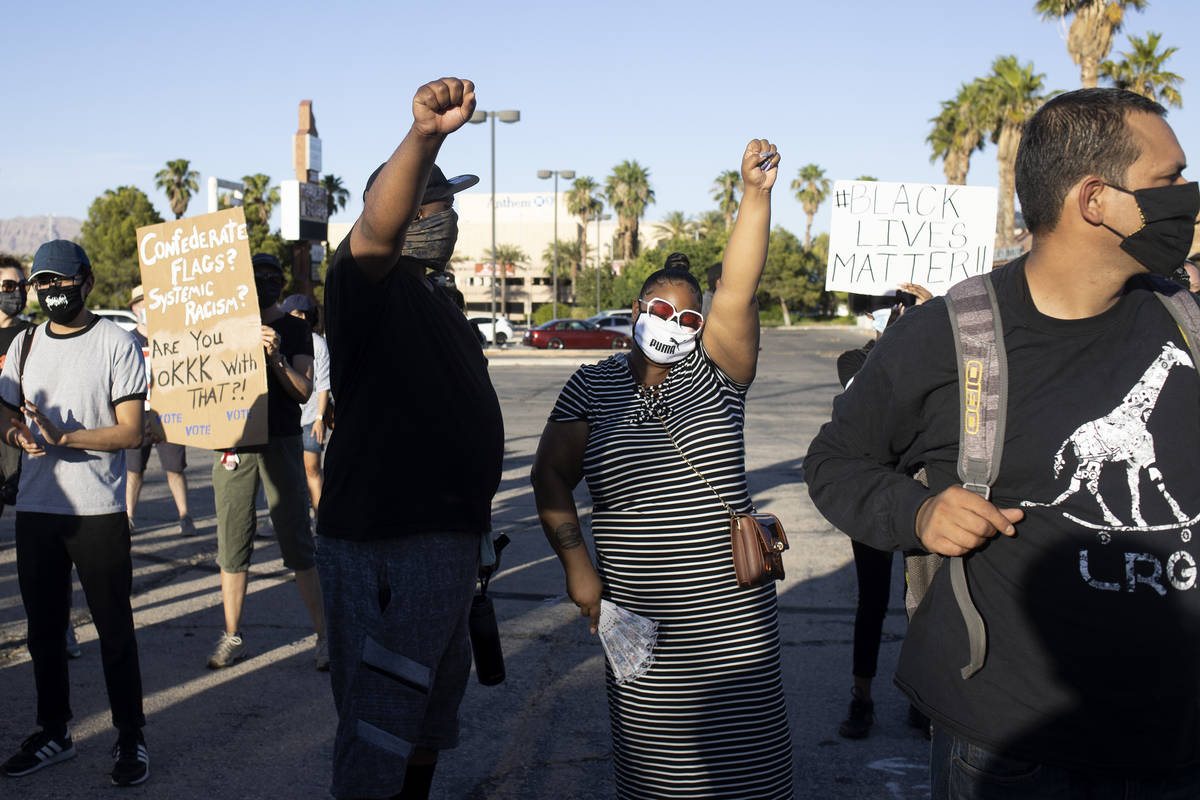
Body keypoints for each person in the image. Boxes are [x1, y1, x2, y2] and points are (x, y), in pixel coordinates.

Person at [805, 88, 1200, 797]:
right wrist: (919, 514)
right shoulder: (947, 336)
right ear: (1094, 199)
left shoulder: (1187, 324)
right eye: (1169, 181)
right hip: (1014, 752)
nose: (1188, 197)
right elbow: (836, 462)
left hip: (1178, 741)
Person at [532, 140, 792, 799]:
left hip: (732, 618)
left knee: (749, 768)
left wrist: (754, 195)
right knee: (659, 776)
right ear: (635, 312)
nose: (671, 322)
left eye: (688, 315)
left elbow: (740, 284)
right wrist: (577, 568)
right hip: (640, 622)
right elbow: (550, 477)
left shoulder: (719, 374)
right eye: (659, 309)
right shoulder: (590, 387)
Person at [315, 77, 501, 800]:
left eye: (451, 202)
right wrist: (427, 136)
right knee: (380, 715)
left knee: (428, 713)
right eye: (436, 200)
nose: (448, 214)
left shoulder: (437, 295)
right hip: (387, 543)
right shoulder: (366, 284)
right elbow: (375, 233)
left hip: (449, 543)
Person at [0, 240, 151, 786]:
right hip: (38, 508)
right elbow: (3, 407)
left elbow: (132, 430)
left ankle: (131, 737)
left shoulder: (116, 342)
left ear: (86, 282)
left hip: (98, 511)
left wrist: (67, 437)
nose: (50, 291)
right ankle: (54, 732)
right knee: (43, 631)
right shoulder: (25, 343)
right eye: (42, 282)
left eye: (61, 281)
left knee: (114, 631)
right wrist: (15, 431)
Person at [206, 253, 327, 671]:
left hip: (281, 442)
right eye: (258, 276)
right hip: (234, 444)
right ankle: (232, 635)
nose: (267, 283)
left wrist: (274, 357)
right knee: (232, 541)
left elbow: (303, 391)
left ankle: (323, 635)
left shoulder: (295, 329)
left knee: (296, 538)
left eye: (274, 277)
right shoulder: (222, 328)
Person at [834, 287, 931, 740]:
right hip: (873, 493)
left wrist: (929, 320)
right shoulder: (854, 360)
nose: (897, 313)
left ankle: (921, 695)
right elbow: (870, 400)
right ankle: (862, 696)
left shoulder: (929, 350)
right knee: (872, 600)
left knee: (923, 599)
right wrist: (898, 333)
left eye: (904, 306)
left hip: (918, 489)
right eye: (892, 307)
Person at [124, 284, 196, 537]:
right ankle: (128, 517)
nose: (147, 308)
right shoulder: (126, 340)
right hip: (136, 411)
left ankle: (185, 516)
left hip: (168, 411)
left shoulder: (171, 337)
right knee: (134, 470)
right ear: (133, 308)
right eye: (141, 303)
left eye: (150, 303)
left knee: (175, 468)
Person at [280, 294, 330, 516]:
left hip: (310, 419)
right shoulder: (280, 339)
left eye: (299, 314)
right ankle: (277, 519)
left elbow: (323, 384)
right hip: (286, 417)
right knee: (283, 472)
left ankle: (320, 518)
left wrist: (320, 418)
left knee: (312, 470)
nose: (296, 318)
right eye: (290, 314)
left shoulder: (318, 344)